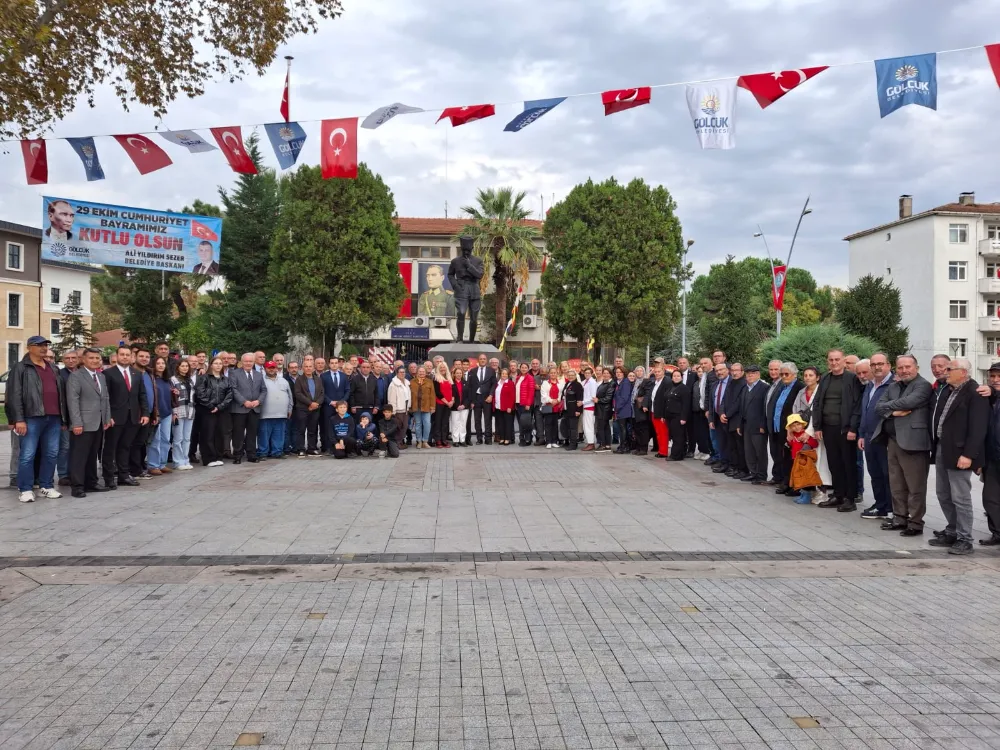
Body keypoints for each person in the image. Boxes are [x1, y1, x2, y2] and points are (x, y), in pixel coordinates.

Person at [927, 358, 989, 555]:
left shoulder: (974, 392)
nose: (945, 371)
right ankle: (952, 530)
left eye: (949, 369)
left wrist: (969, 455)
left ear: (962, 372)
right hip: (943, 448)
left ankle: (965, 539)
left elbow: (978, 428)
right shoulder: (951, 390)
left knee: (960, 497)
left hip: (961, 453)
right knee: (943, 493)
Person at [872, 354, 933, 535]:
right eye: (900, 367)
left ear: (916, 367)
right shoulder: (893, 386)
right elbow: (878, 406)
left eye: (908, 367)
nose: (904, 370)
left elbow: (910, 402)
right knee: (896, 484)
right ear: (896, 369)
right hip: (893, 441)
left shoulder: (923, 386)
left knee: (915, 486)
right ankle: (899, 518)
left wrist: (888, 407)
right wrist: (893, 412)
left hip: (914, 443)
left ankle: (915, 523)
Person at [812, 350, 863, 512]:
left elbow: (857, 405)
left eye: (837, 360)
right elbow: (818, 402)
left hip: (845, 429)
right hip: (828, 427)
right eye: (831, 360)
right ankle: (838, 494)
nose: (834, 363)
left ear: (843, 361)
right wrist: (817, 426)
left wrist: (853, 428)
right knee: (834, 463)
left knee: (848, 463)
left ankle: (850, 498)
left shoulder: (852, 379)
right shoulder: (826, 378)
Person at [65, 347, 112, 498]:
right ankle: (77, 486)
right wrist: (76, 423)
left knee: (92, 454)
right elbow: (73, 402)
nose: (95, 361)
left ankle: (91, 482)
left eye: (97, 358)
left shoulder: (101, 377)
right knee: (79, 455)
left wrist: (107, 417)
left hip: (98, 422)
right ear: (83, 360)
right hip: (83, 423)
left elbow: (105, 399)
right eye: (91, 358)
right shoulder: (76, 377)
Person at [101, 346, 150, 487]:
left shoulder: (136, 374)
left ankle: (124, 475)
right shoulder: (108, 373)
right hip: (115, 418)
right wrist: (107, 416)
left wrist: (145, 413)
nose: (125, 357)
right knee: (110, 448)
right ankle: (109, 478)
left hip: (133, 417)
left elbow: (142, 395)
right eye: (122, 354)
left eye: (127, 355)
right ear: (117, 356)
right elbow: (105, 397)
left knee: (125, 447)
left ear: (131, 357)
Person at [857, 353, 894, 520]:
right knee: (875, 473)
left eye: (881, 363)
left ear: (888, 365)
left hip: (885, 437)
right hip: (869, 436)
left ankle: (891, 507)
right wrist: (862, 434)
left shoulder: (894, 384)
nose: (877, 367)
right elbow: (865, 411)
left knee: (888, 474)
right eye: (874, 364)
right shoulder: (870, 385)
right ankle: (880, 505)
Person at [767, 363, 803, 493]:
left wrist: (792, 429)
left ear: (794, 374)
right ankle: (784, 481)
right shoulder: (783, 387)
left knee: (790, 458)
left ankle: (792, 485)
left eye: (786, 374)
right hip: (778, 427)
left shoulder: (799, 388)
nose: (783, 376)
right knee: (781, 456)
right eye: (782, 374)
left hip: (790, 429)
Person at [194, 356, 232, 467]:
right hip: (207, 410)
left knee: (220, 434)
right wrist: (210, 406)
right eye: (216, 363)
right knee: (208, 434)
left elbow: (229, 395)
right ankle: (208, 458)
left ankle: (218, 456)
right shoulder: (204, 378)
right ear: (211, 365)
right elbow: (200, 393)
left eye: (220, 363)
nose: (218, 365)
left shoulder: (225, 379)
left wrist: (220, 407)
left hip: (221, 409)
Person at [229, 352, 266, 464]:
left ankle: (251, 455)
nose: (248, 363)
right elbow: (233, 389)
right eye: (246, 361)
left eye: (250, 361)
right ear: (242, 362)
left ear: (253, 362)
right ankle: (237, 455)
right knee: (238, 433)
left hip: (254, 408)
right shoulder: (234, 373)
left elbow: (264, 390)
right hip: (240, 408)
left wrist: (258, 401)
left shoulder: (259, 375)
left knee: (252, 433)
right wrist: (244, 401)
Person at [448, 236, 485, 342]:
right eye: (464, 250)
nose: (466, 252)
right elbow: (450, 274)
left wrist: (469, 265)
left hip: (474, 288)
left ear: (472, 249)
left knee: (474, 317)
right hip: (461, 288)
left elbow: (479, 275)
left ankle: (472, 340)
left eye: (468, 250)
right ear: (461, 249)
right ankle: (459, 338)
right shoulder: (455, 261)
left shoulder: (477, 261)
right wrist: (455, 285)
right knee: (461, 313)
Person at [131, 347, 157, 479]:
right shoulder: (132, 373)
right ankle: (135, 470)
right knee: (134, 443)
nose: (144, 359)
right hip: (136, 415)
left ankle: (140, 467)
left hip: (148, 414)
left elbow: (153, 395)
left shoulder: (149, 373)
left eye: (147, 357)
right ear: (134, 357)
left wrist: (154, 414)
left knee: (142, 443)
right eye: (141, 356)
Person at [739, 365, 768, 482]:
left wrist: (763, 425)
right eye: (748, 373)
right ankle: (753, 472)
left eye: (753, 373)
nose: (750, 375)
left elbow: (765, 408)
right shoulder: (745, 388)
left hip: (758, 425)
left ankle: (761, 475)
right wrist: (739, 425)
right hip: (746, 425)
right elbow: (742, 408)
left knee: (760, 451)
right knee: (749, 450)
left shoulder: (764, 388)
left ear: (758, 374)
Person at [258, 360, 292, 459]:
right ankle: (263, 453)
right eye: (269, 368)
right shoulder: (260, 380)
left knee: (279, 434)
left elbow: (290, 396)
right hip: (265, 414)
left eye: (273, 367)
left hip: (281, 414)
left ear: (276, 369)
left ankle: (277, 452)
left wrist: (290, 409)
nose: (271, 370)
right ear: (265, 369)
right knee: (264, 435)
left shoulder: (284, 381)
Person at [146, 356, 174, 475]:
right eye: (158, 363)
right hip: (156, 413)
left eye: (163, 363)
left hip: (167, 412)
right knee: (155, 440)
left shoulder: (167, 380)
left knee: (165, 440)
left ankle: (162, 464)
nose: (161, 365)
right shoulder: (150, 378)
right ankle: (153, 465)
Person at [55, 348, 80, 487]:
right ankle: (64, 474)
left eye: (73, 358)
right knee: (65, 447)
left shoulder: (82, 373)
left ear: (78, 359)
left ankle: (75, 472)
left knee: (77, 447)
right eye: (67, 358)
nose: (71, 361)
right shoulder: (59, 375)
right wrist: (62, 419)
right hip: (65, 417)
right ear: (63, 360)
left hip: (80, 417)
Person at [982, 362, 1000, 546]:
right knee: (990, 498)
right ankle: (997, 533)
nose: (995, 380)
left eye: (999, 377)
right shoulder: (987, 399)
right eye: (993, 376)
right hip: (992, 458)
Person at [787, 414, 821, 505]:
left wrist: (807, 441)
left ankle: (807, 496)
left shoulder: (806, 435)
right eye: (793, 426)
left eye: (798, 424)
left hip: (805, 461)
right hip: (796, 460)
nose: (796, 427)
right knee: (800, 478)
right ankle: (802, 494)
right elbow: (791, 446)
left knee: (806, 479)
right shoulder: (793, 435)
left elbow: (815, 444)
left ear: (802, 424)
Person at [293, 358, 324, 456]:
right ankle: (301, 449)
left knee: (313, 429)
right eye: (306, 366)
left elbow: (322, 393)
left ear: (313, 367)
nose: (308, 368)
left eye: (310, 366)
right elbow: (298, 394)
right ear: (302, 368)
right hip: (303, 408)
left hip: (315, 409)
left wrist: (316, 404)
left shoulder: (318, 379)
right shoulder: (299, 379)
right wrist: (310, 403)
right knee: (301, 429)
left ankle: (312, 448)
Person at [169, 358, 196, 470]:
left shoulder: (190, 380)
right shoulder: (173, 379)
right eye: (182, 366)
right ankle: (178, 461)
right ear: (178, 367)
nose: (185, 368)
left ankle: (185, 459)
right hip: (178, 410)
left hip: (190, 411)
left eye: (186, 366)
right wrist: (173, 412)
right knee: (178, 438)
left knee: (187, 438)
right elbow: (172, 397)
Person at [467, 353, 497, 445]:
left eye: (484, 359)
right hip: (476, 398)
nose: (482, 360)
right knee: (477, 419)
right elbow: (470, 386)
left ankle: (488, 438)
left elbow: (494, 384)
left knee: (488, 419)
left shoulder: (491, 371)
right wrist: (472, 400)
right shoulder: (472, 371)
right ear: (478, 360)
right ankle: (479, 438)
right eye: (481, 359)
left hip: (487, 398)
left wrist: (491, 395)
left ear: (486, 360)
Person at [664, 368, 692, 461]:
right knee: (673, 435)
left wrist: (683, 418)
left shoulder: (684, 389)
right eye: (674, 376)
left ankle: (676, 455)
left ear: (681, 377)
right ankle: (679, 453)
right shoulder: (670, 387)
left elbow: (686, 404)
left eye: (678, 376)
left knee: (678, 436)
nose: (676, 378)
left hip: (678, 416)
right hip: (670, 415)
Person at [409, 366, 435, 449]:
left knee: (427, 424)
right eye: (420, 371)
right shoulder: (412, 382)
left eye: (423, 371)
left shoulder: (429, 382)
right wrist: (410, 406)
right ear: (417, 372)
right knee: (418, 425)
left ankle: (425, 441)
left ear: (425, 372)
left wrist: (432, 406)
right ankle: (419, 441)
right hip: (416, 407)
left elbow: (432, 395)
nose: (421, 373)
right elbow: (409, 395)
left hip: (426, 406)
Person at [385, 366, 411, 450]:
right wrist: (393, 411)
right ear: (397, 373)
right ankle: (396, 443)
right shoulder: (393, 384)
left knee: (404, 426)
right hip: (398, 410)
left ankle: (400, 441)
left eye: (404, 372)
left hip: (405, 409)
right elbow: (391, 399)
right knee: (398, 427)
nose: (402, 374)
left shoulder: (407, 383)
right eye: (401, 372)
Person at [432, 361, 455, 448]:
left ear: (446, 368)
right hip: (440, 404)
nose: (442, 369)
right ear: (438, 369)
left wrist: (452, 401)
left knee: (445, 423)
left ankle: (444, 439)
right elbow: (438, 392)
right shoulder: (436, 378)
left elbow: (453, 391)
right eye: (440, 367)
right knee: (438, 422)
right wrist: (447, 402)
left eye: (444, 367)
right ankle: (438, 440)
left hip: (448, 404)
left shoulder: (449, 378)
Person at [541, 368, 564, 449]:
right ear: (549, 374)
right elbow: (543, 395)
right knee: (548, 424)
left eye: (554, 373)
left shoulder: (560, 383)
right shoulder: (545, 383)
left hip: (557, 406)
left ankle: (554, 441)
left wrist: (557, 400)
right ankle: (548, 441)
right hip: (548, 406)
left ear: (557, 374)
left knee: (555, 424)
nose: (553, 374)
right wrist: (551, 401)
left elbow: (562, 394)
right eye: (551, 373)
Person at [612, 366, 634, 454]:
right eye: (617, 372)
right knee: (622, 429)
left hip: (624, 409)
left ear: (624, 373)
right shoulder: (619, 382)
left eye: (620, 372)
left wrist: (617, 407)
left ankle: (624, 447)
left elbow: (624, 397)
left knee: (623, 428)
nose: (618, 374)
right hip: (621, 409)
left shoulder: (625, 382)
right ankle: (623, 446)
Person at [561, 369, 584, 451]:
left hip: (574, 409)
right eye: (569, 375)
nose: (570, 376)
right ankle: (570, 442)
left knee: (573, 428)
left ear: (575, 376)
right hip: (567, 409)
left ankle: (573, 444)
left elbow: (580, 398)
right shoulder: (567, 383)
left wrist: (578, 410)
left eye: (572, 375)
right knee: (568, 427)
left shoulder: (578, 385)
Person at [594, 368, 615, 452]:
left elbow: (608, 398)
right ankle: (607, 445)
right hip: (600, 409)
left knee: (601, 427)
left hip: (605, 409)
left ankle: (603, 445)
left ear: (610, 374)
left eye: (607, 373)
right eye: (604, 373)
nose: (606, 375)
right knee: (605, 427)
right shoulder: (603, 383)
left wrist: (598, 400)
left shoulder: (611, 384)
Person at [494, 368, 516, 446]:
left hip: (507, 408)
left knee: (508, 423)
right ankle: (502, 438)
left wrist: (510, 407)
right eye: (503, 373)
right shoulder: (498, 383)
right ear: (500, 374)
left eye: (506, 374)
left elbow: (512, 396)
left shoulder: (510, 383)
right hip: (498, 407)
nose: (504, 375)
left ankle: (507, 439)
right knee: (500, 424)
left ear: (508, 375)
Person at [514, 363, 534, 447]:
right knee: (520, 423)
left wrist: (528, 404)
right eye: (522, 367)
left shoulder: (530, 378)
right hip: (518, 403)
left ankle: (528, 439)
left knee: (526, 423)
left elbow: (531, 392)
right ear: (520, 368)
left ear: (528, 369)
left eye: (525, 368)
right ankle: (521, 438)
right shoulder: (518, 377)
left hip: (525, 404)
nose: (524, 369)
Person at [449, 364, 468, 448]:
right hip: (455, 407)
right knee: (455, 424)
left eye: (460, 373)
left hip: (464, 407)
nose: (459, 374)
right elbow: (451, 395)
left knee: (463, 424)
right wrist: (457, 406)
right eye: (457, 373)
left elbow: (469, 396)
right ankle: (455, 440)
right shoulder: (451, 384)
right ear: (454, 374)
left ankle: (462, 440)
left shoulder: (466, 383)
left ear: (462, 374)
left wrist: (464, 405)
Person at [579, 367, 598, 451]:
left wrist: (582, 402)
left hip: (589, 406)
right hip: (585, 406)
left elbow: (592, 396)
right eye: (585, 373)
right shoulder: (584, 382)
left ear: (592, 374)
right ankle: (589, 442)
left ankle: (591, 443)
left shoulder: (592, 382)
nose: (587, 374)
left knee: (589, 426)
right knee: (586, 426)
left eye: (588, 373)